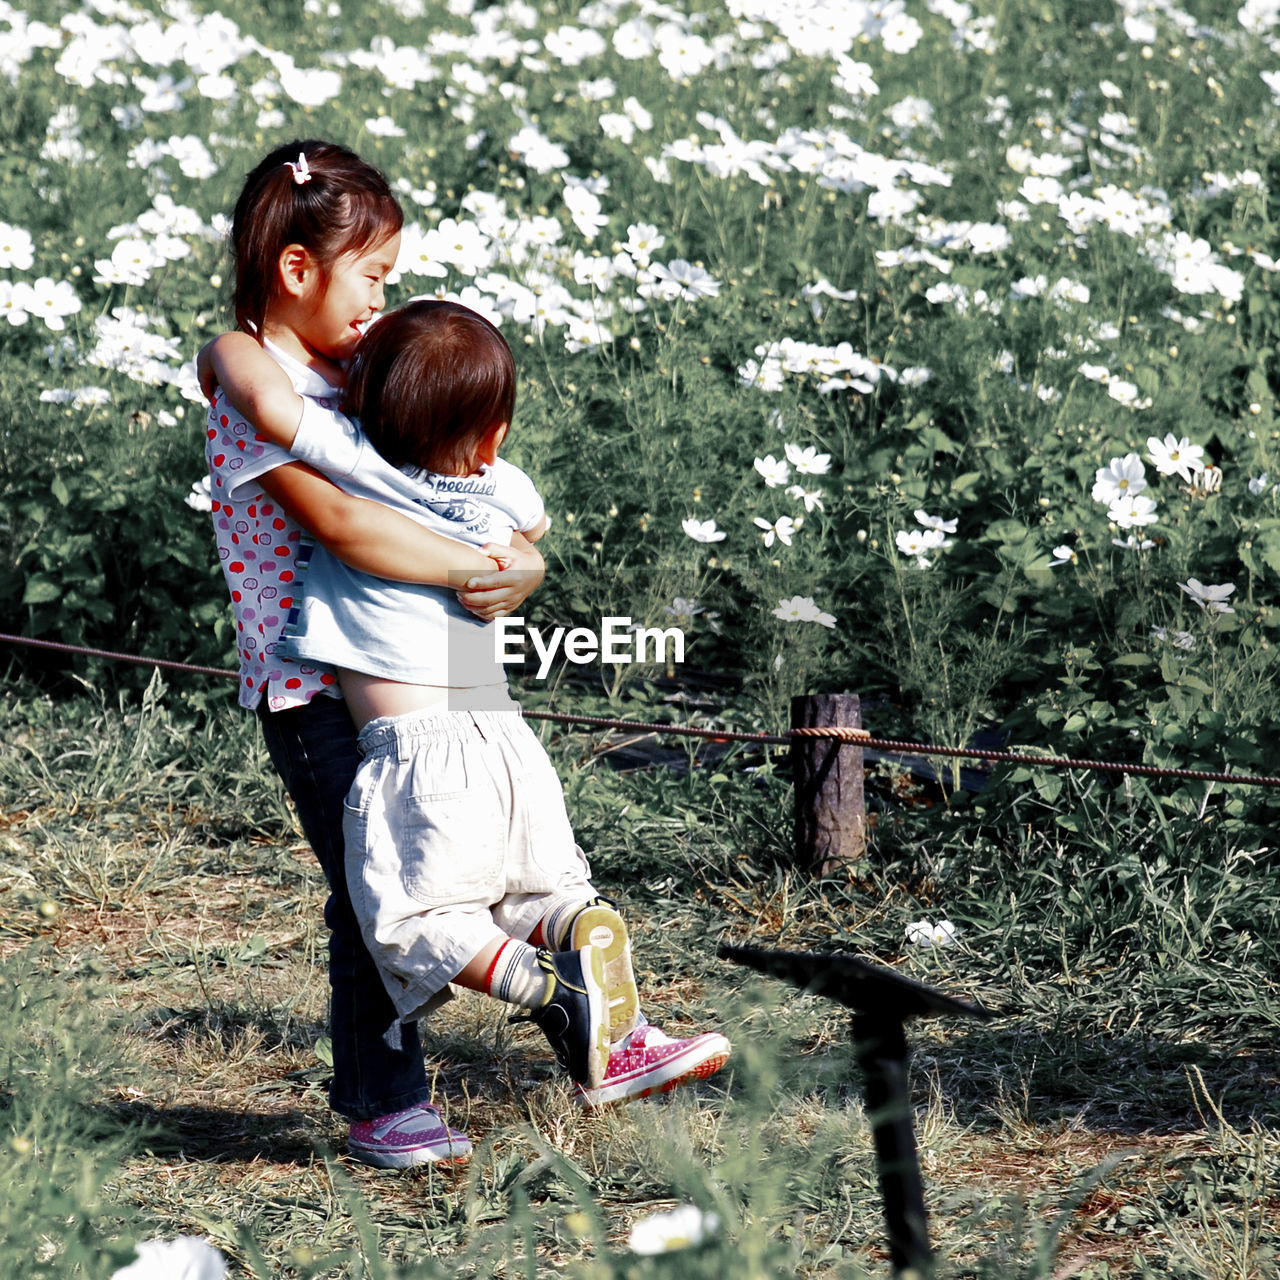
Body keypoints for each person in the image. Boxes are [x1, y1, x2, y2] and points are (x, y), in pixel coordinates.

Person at [201, 298, 732, 1127]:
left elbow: (269, 409)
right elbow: (530, 530)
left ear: (367, 412)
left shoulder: (355, 467)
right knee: (539, 889)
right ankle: (592, 962)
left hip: (417, 746)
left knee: (407, 916)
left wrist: (220, 354)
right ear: (492, 437)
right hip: (507, 738)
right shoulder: (502, 492)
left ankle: (547, 986)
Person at [204, 139, 547, 1169]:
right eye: (373, 278)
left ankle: (584, 1021)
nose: (380, 303)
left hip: (402, 670)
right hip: (309, 681)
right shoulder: (252, 383)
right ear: (295, 270)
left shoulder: (357, 369)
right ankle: (380, 1100)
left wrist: (519, 560)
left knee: (457, 857)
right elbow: (349, 528)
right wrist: (466, 567)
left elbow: (459, 472)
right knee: (372, 880)